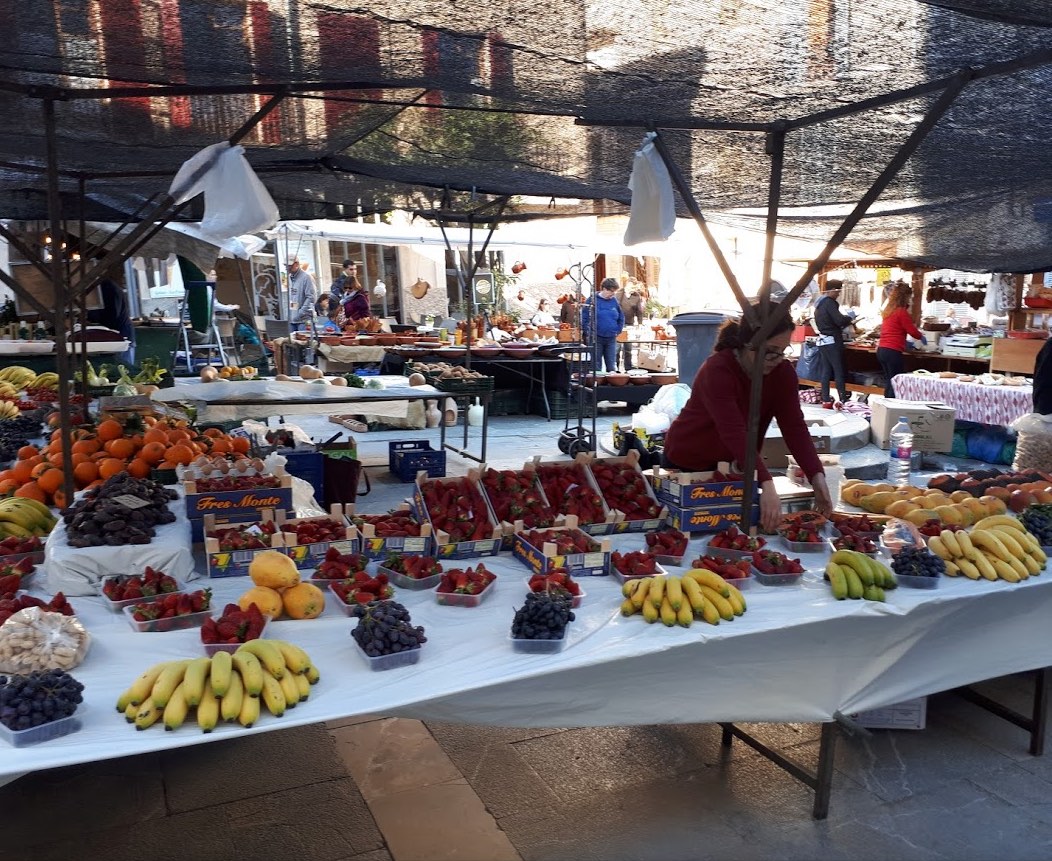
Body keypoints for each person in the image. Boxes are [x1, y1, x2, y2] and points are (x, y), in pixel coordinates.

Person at [663, 306, 832, 531]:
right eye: (770, 350)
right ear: (747, 344)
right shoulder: (718, 370)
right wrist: (765, 481)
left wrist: (816, 475)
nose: (776, 359)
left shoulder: (782, 374)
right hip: (687, 465)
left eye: (783, 351)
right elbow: (733, 431)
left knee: (734, 533)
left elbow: (794, 428)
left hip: (733, 468)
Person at [876, 282, 926, 397]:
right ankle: (891, 406)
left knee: (889, 380)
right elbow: (912, 331)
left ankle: (885, 405)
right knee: (896, 381)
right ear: (905, 297)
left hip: (882, 349)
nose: (911, 300)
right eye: (910, 297)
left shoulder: (889, 310)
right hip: (892, 351)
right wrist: (921, 337)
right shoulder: (901, 312)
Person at [813, 279, 855, 405]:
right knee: (838, 370)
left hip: (823, 340)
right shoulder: (830, 303)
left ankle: (825, 399)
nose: (839, 294)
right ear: (832, 290)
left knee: (826, 370)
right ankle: (843, 398)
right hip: (832, 340)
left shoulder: (819, 303)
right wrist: (849, 318)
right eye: (838, 291)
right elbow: (838, 320)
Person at [88, 276, 135, 365]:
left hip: (121, 336)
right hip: (110, 337)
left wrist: (89, 316)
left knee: (123, 369)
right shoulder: (99, 288)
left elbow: (112, 315)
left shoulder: (108, 287)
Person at [581, 278, 625, 373]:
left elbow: (621, 316)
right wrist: (588, 332)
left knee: (611, 365)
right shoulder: (592, 300)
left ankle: (611, 385)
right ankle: (597, 385)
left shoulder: (614, 301)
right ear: (604, 289)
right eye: (611, 291)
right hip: (596, 338)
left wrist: (618, 329)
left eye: (614, 292)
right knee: (596, 366)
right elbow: (584, 317)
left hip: (611, 338)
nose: (613, 294)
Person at [617, 280, 646, 370]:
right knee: (617, 348)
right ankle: (615, 367)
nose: (633, 289)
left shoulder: (636, 297)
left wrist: (640, 323)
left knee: (628, 348)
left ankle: (628, 367)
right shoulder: (619, 294)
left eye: (634, 287)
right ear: (627, 285)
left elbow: (639, 311)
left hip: (630, 324)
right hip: (618, 324)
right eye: (632, 287)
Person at [287, 257, 317, 331]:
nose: (288, 268)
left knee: (304, 341)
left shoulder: (306, 277)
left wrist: (301, 312)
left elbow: (311, 297)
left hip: (304, 320)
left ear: (296, 264)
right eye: (286, 266)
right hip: (292, 318)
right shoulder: (289, 277)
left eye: (290, 265)